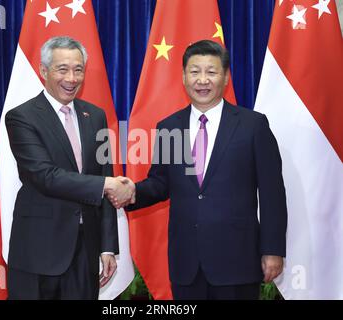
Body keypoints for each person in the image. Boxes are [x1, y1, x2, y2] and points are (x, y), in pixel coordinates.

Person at [117, 40, 287, 300]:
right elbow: (160, 183)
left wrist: (273, 249)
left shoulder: (253, 126)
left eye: (211, 72)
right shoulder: (169, 127)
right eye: (195, 72)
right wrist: (131, 192)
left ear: (226, 77)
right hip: (187, 264)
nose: (202, 80)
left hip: (237, 262)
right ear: (184, 77)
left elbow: (272, 193)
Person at [5, 36, 133, 299]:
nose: (72, 78)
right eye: (62, 69)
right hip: (38, 249)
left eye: (78, 70)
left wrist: (107, 247)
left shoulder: (95, 115)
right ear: (43, 71)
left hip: (86, 250)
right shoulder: (21, 117)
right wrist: (106, 185)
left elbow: (104, 173)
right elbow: (44, 176)